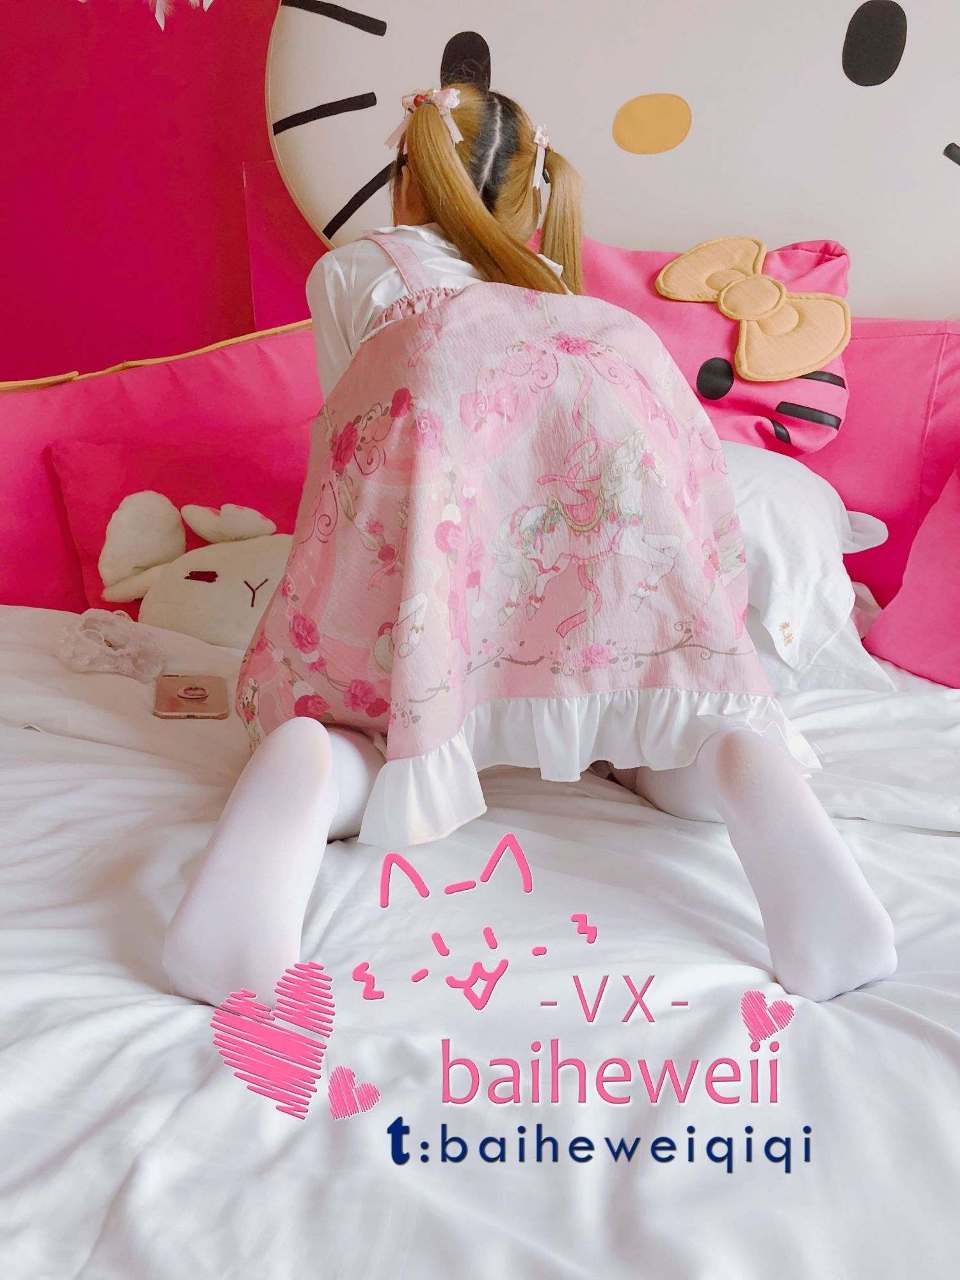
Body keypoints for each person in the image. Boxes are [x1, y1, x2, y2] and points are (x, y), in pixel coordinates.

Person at [163, 84, 896, 1008]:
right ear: (533, 192)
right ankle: (734, 758)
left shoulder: (354, 270)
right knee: (658, 728)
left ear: (408, 177)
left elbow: (356, 451)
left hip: (438, 551)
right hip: (594, 548)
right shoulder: (553, 287)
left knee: (363, 735)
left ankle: (313, 763)